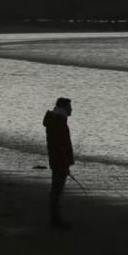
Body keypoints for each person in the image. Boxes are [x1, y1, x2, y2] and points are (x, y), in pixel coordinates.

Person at [42, 97, 75, 228]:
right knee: (56, 192)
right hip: (59, 162)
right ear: (64, 108)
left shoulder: (56, 120)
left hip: (57, 161)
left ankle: (55, 219)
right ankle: (55, 221)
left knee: (56, 192)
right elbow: (61, 146)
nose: (71, 109)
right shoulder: (59, 122)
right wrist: (65, 165)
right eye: (69, 107)